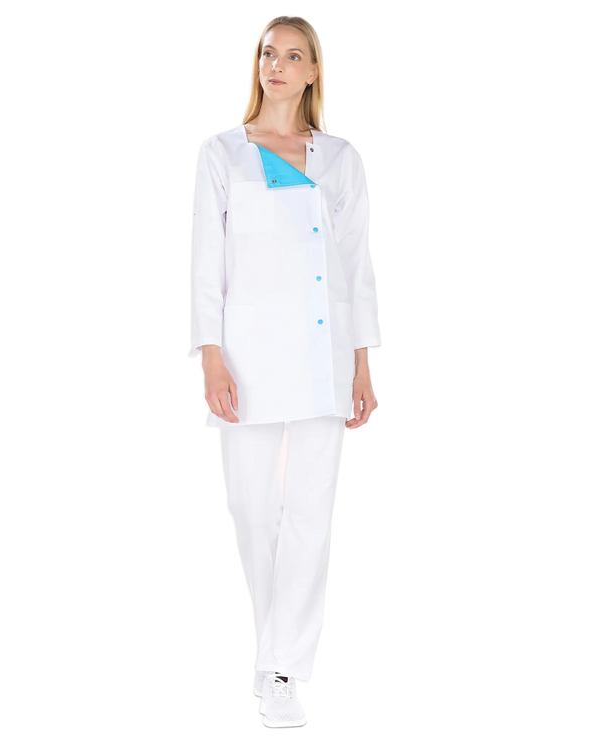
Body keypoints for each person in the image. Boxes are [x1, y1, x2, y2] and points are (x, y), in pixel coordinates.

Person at [185, 13, 384, 731]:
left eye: (293, 55)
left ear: (313, 73)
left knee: (310, 517)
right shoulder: (221, 152)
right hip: (246, 360)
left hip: (324, 360)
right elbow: (205, 259)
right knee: (249, 512)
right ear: (256, 65)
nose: (277, 64)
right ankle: (271, 654)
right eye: (268, 52)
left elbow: (357, 265)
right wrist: (208, 354)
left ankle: (280, 672)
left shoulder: (341, 158)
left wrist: (363, 363)